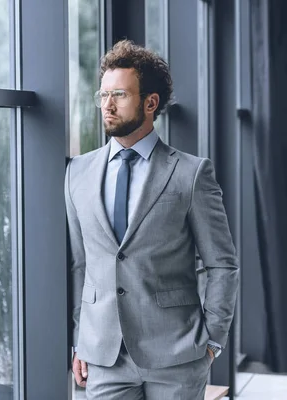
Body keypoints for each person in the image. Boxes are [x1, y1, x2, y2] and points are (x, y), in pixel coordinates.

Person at [65, 39, 239, 399]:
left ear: (150, 102)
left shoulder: (191, 174)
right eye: (103, 95)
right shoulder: (77, 173)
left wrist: (212, 342)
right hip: (103, 357)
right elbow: (80, 265)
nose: (107, 105)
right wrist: (79, 339)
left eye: (119, 95)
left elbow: (222, 265)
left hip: (176, 355)